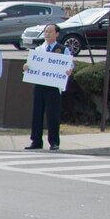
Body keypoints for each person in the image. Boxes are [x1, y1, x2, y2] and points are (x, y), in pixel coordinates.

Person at [27, 23, 67, 151]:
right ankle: (36, 140)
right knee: (37, 113)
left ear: (57, 34)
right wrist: (26, 67)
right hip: (39, 85)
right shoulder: (39, 50)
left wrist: (69, 70)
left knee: (53, 114)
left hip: (53, 86)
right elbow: (30, 65)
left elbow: (69, 65)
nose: (47, 34)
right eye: (45, 31)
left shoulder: (62, 49)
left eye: (50, 32)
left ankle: (54, 141)